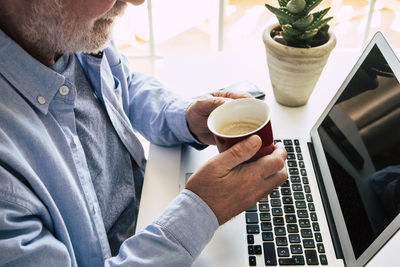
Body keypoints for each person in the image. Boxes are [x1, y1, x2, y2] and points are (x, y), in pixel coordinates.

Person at [0, 0, 287, 266]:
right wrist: (201, 211)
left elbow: (123, 85)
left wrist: (185, 117)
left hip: (154, 214)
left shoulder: (64, 33)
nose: (137, 0)